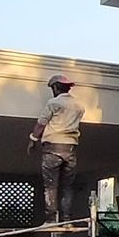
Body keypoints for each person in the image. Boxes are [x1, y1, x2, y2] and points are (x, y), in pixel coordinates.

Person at [30, 74, 85, 222]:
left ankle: (51, 219)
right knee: (68, 186)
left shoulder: (53, 103)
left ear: (56, 87)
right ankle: (67, 220)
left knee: (51, 186)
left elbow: (41, 123)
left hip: (53, 147)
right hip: (70, 149)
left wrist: (33, 139)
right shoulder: (79, 106)